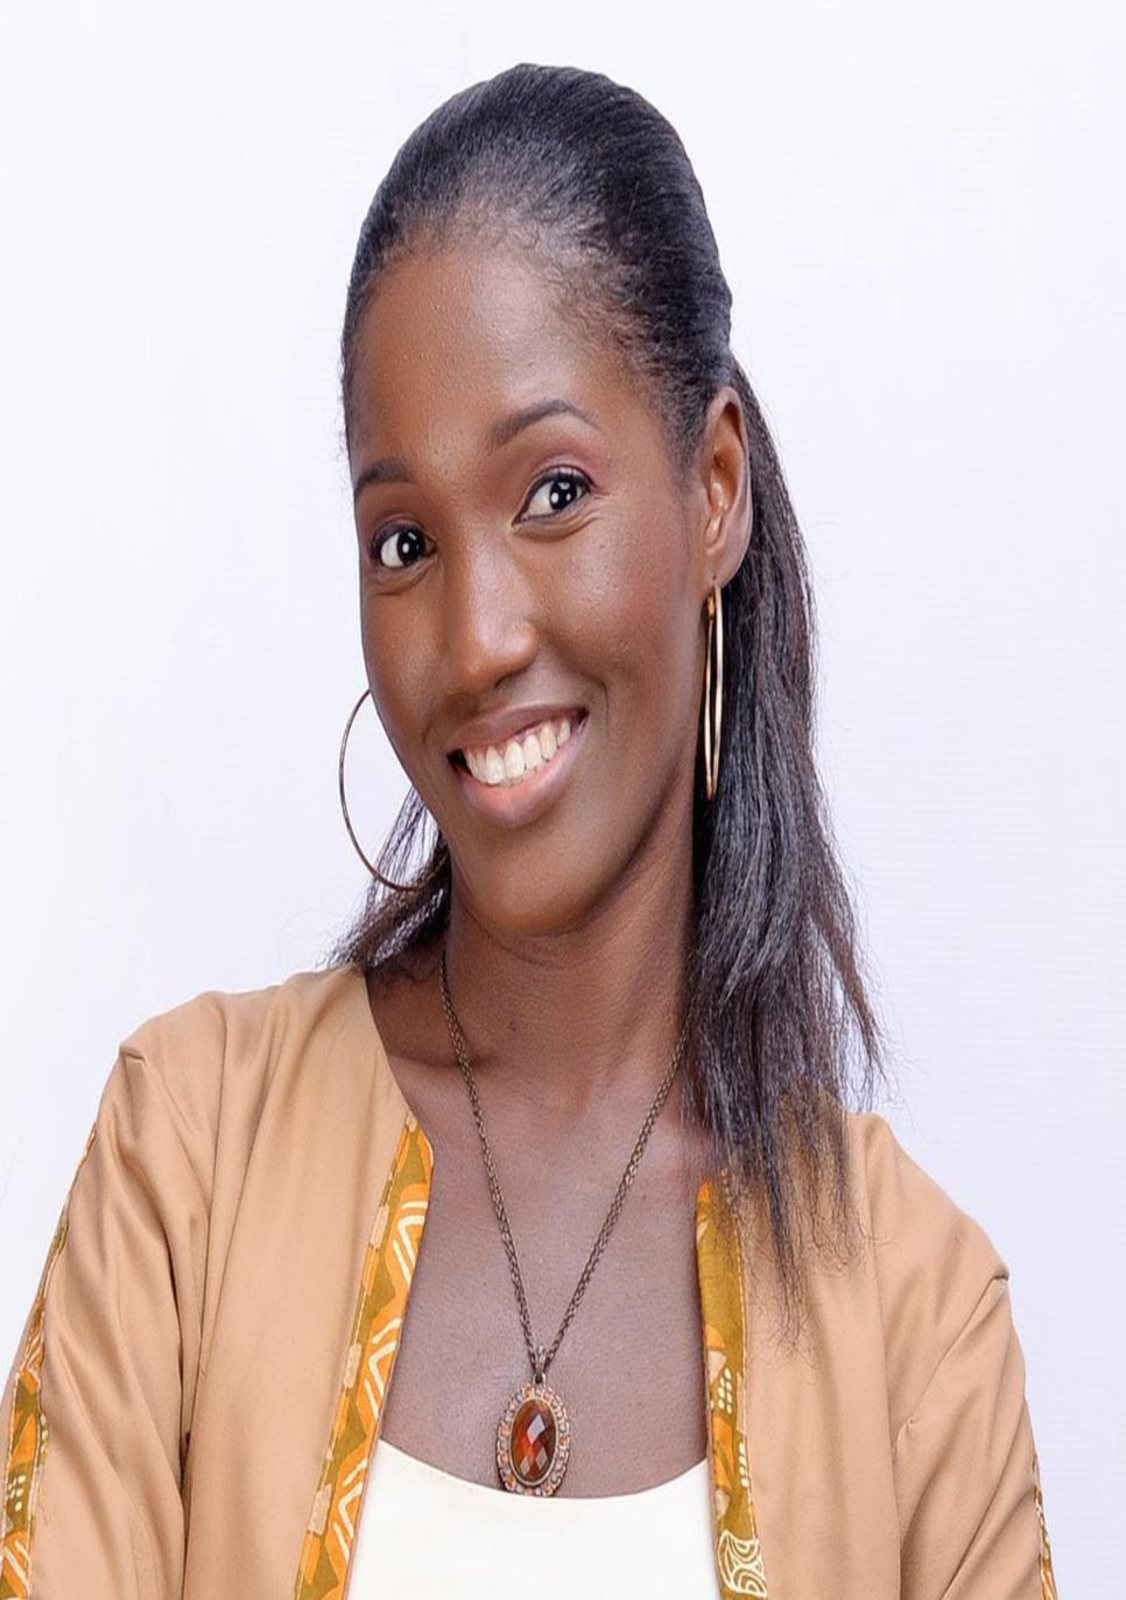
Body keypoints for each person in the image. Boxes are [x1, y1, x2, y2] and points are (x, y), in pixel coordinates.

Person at [0, 62, 1059, 1600]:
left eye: (552, 492)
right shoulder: (191, 1158)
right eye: (404, 540)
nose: (475, 637)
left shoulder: (916, 1321)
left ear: (711, 489)